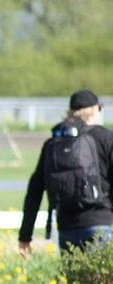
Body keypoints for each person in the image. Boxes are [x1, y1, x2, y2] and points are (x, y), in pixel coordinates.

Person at [18, 89, 113, 257]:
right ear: (95, 109)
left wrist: (25, 236)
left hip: (66, 227)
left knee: (74, 282)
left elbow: (35, 190)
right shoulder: (106, 138)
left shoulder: (54, 143)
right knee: (102, 282)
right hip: (100, 222)